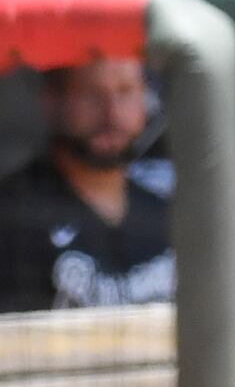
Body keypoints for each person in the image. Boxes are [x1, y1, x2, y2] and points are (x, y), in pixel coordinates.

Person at [0, 57, 173, 314]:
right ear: (52, 100)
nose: (111, 112)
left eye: (125, 91)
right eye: (91, 94)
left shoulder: (172, 209)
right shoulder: (14, 214)